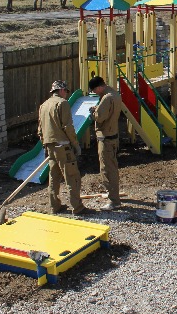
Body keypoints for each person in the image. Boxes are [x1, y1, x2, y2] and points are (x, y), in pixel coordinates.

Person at [38, 80, 89, 216]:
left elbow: (40, 130)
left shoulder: (44, 105)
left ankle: (54, 206)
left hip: (50, 146)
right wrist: (75, 144)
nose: (66, 94)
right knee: (72, 176)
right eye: (66, 91)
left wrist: (45, 145)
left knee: (54, 177)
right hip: (63, 146)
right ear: (61, 90)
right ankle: (77, 207)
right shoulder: (62, 103)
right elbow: (68, 127)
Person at [89, 76, 123, 211]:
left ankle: (113, 200)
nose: (95, 93)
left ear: (99, 87)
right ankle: (114, 195)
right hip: (113, 135)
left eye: (94, 90)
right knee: (112, 167)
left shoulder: (106, 98)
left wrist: (93, 113)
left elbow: (100, 117)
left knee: (107, 170)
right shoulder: (114, 94)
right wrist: (98, 108)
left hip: (105, 138)